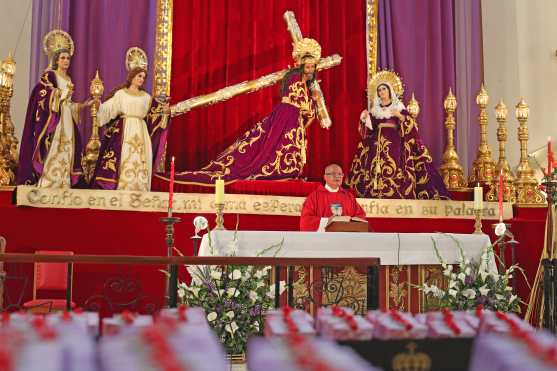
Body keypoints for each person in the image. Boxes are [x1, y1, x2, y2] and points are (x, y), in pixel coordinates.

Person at [167, 38, 324, 186]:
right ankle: (276, 170)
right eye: (307, 66)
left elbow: (306, 115)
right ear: (301, 66)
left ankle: (282, 170)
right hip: (286, 118)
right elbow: (300, 107)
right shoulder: (295, 79)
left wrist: (312, 103)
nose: (309, 70)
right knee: (267, 149)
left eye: (312, 67)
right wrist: (313, 103)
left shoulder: (304, 85)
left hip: (291, 120)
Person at [346, 71, 450, 200]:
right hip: (375, 146)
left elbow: (410, 126)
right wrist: (364, 119)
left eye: (384, 89)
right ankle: (375, 192)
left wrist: (399, 116)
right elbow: (368, 131)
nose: (381, 92)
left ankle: (396, 192)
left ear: (390, 90)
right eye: (379, 90)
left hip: (395, 144)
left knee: (395, 168)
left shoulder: (399, 107)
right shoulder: (375, 110)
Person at [89, 48, 170, 191]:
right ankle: (123, 184)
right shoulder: (121, 94)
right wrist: (98, 105)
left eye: (143, 77)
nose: (141, 79)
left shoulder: (146, 97)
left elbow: (156, 112)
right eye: (139, 76)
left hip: (141, 129)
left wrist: (165, 112)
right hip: (125, 129)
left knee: (140, 157)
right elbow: (109, 108)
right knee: (125, 155)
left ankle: (139, 186)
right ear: (132, 76)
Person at [17, 30, 91, 187]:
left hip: (66, 117)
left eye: (68, 58)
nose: (65, 61)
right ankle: (50, 180)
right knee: (55, 145)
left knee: (68, 146)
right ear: (56, 60)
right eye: (62, 58)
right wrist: (61, 93)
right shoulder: (50, 75)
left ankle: (64, 181)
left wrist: (82, 105)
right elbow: (43, 92)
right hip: (54, 118)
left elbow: (69, 104)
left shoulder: (68, 78)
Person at [300, 163, 366, 231]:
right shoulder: (314, 197)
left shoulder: (349, 197)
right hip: (323, 239)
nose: (337, 176)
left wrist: (349, 221)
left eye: (340, 174)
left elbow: (361, 216)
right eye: (333, 174)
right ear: (325, 177)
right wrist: (328, 220)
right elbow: (306, 221)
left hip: (345, 238)